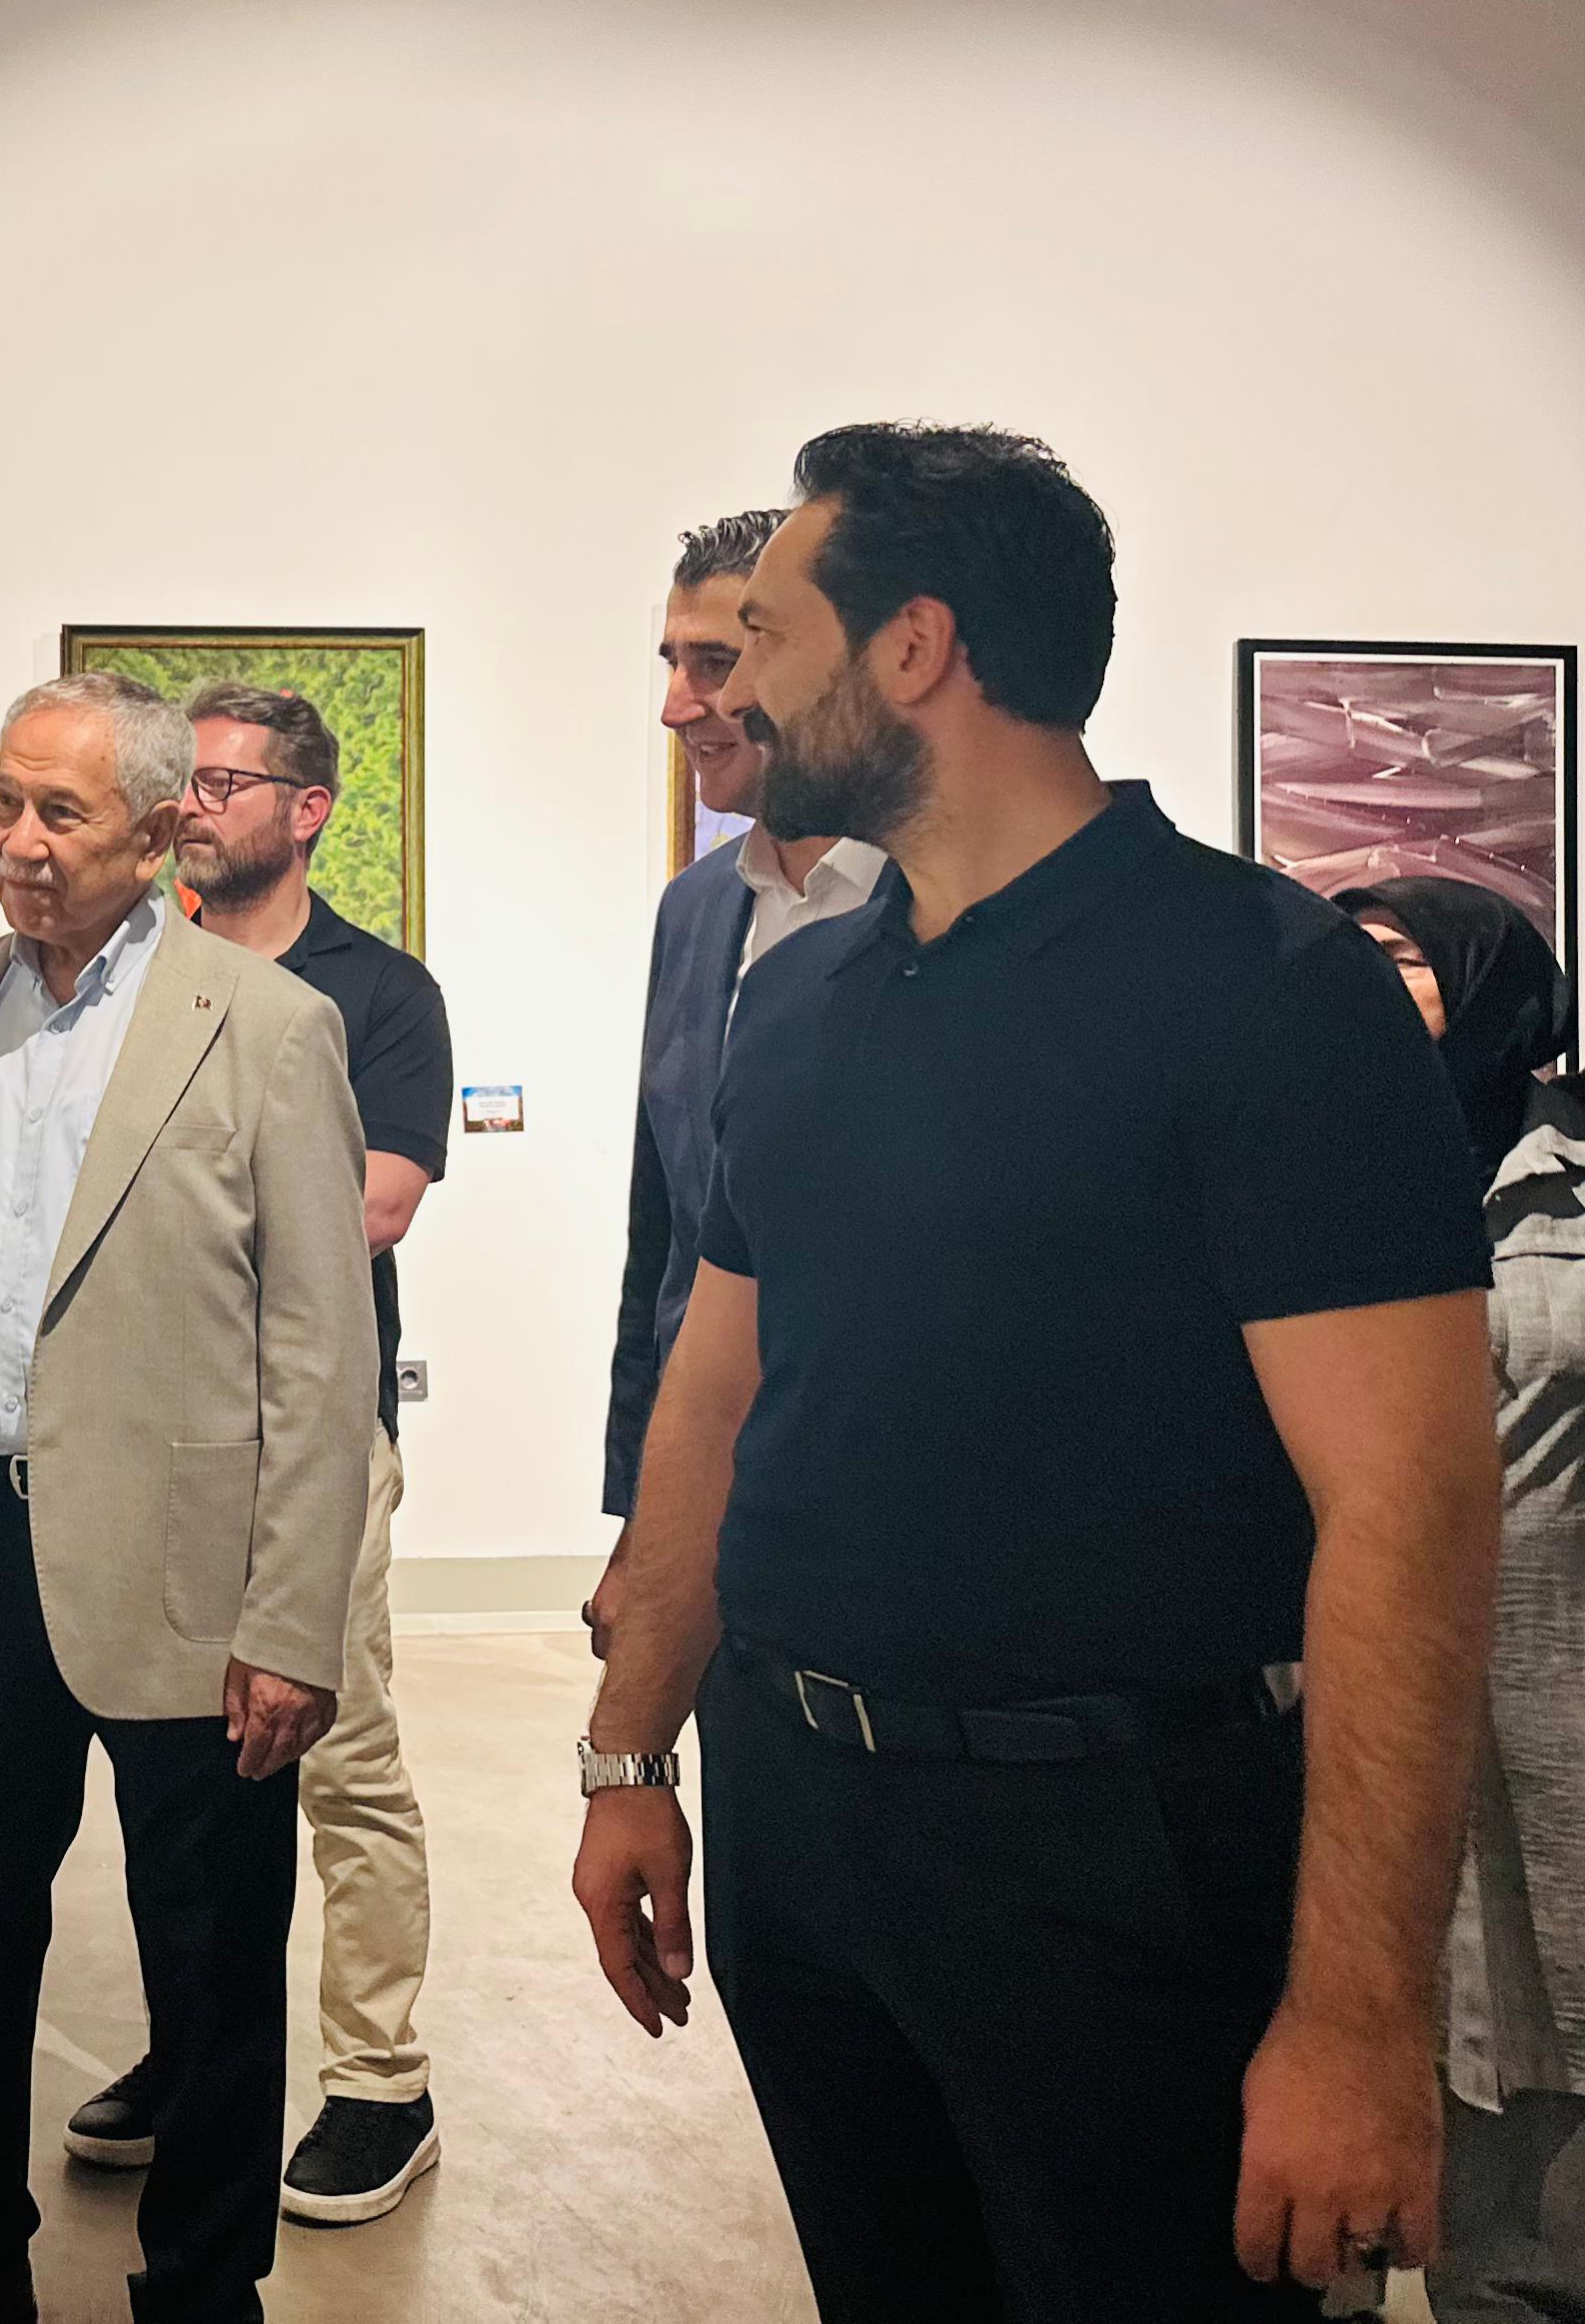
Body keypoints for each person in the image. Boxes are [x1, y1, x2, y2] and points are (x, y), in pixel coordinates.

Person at [572, 423, 1500, 2321]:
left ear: (914, 648)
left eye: (765, 637)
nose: (724, 693)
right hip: (800, 1822)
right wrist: (629, 1750)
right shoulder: (800, 990)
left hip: (1121, 1849)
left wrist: (1356, 2016)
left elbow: (1408, 1510)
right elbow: (716, 1397)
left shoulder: (1262, 986)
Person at [0, 671, 378, 2324]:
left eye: (60, 811)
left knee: (208, 1950)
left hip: (193, 1566)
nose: (19, 840)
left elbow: (321, 1353)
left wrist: (293, 1617)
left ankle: (200, 2290)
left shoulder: (265, 1026)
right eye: (3, 800)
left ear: (157, 829)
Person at [58, 682, 456, 2230]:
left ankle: (380, 2081)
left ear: (309, 810)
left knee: (339, 1758)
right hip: (148, 1447)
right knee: (178, 1777)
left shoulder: (379, 994)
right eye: (189, 778)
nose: (198, 802)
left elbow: (372, 1206)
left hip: (309, 1440)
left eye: (229, 781)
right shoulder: (127, 981)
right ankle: (196, 2057)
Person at [1339, 879, 1585, 2321]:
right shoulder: (1316, 1164)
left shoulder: (1570, 1175)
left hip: (1551, 1699)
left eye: (1399, 958)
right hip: (1359, 1690)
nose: (1365, 985)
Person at [589, 512, 883, 1653]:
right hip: (713, 1503)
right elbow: (664, 1237)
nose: (678, 706)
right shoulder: (697, 909)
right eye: (672, 663)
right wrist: (641, 1518)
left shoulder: (948, 906)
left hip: (893, 1511)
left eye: (715, 661)